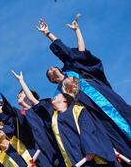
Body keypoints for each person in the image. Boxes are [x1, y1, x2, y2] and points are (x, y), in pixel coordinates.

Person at [37, 16, 131, 158]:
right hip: (94, 113)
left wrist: (51, 33)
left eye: (52, 67)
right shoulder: (60, 93)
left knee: (126, 117)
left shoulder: (73, 69)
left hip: (108, 100)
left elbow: (80, 53)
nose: (50, 68)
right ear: (52, 80)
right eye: (48, 72)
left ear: (59, 68)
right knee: (116, 138)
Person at [11, 70, 120, 166]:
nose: (54, 96)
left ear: (65, 100)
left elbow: (88, 132)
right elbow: (34, 101)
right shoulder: (53, 117)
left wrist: (89, 150)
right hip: (71, 159)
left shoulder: (78, 111)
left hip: (88, 158)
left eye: (58, 95)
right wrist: (21, 81)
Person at [0, 73, 59, 166]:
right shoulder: (19, 123)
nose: (17, 96)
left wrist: (21, 81)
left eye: (21, 93)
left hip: (57, 150)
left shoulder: (42, 107)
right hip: (42, 159)